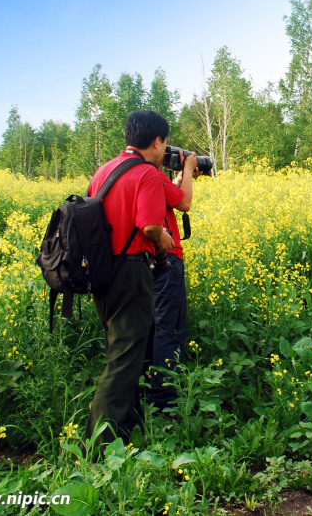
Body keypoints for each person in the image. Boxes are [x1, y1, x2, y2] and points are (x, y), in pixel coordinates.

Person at [85, 109, 182, 445]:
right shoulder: (148, 174)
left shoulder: (104, 170)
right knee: (125, 358)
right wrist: (164, 239)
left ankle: (127, 429)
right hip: (130, 269)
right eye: (165, 141)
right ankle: (97, 445)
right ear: (157, 141)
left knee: (126, 350)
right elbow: (151, 225)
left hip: (102, 270)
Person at [145, 148, 199, 411]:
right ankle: (165, 402)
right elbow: (184, 203)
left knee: (149, 327)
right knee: (169, 328)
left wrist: (177, 180)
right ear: (156, 142)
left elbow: (167, 197)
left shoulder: (118, 171)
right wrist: (188, 168)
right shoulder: (149, 174)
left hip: (134, 264)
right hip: (165, 259)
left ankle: (146, 390)